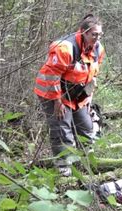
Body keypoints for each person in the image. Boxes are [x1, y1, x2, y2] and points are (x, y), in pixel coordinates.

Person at [33, 14, 105, 176]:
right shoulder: (65, 48)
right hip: (52, 92)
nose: (97, 38)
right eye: (94, 35)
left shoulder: (98, 49)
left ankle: (85, 161)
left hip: (76, 93)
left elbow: (93, 74)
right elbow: (52, 76)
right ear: (83, 32)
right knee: (62, 128)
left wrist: (88, 97)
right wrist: (57, 102)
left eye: (100, 35)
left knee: (86, 127)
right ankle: (63, 168)